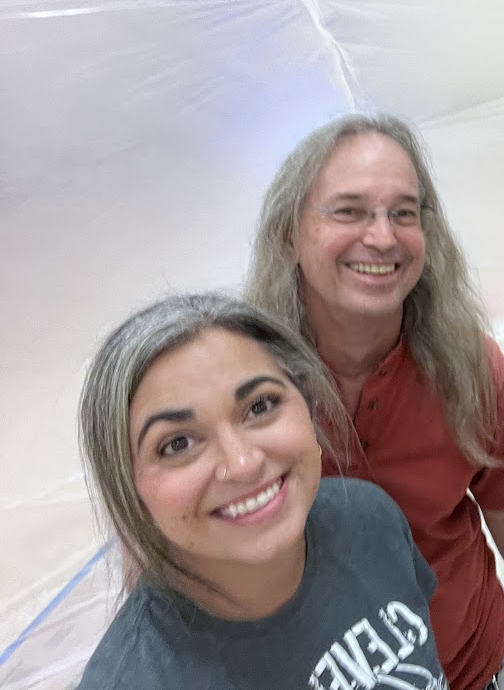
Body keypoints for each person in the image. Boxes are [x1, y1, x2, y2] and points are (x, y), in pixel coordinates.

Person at [246, 113, 504, 690]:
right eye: (348, 211)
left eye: (404, 213)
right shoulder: (241, 385)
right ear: (288, 236)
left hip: (468, 667)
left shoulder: (468, 367)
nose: (382, 236)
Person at [75, 293, 447, 690]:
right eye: (178, 444)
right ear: (129, 489)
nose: (243, 464)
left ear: (307, 403)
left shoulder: (369, 519)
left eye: (260, 406)